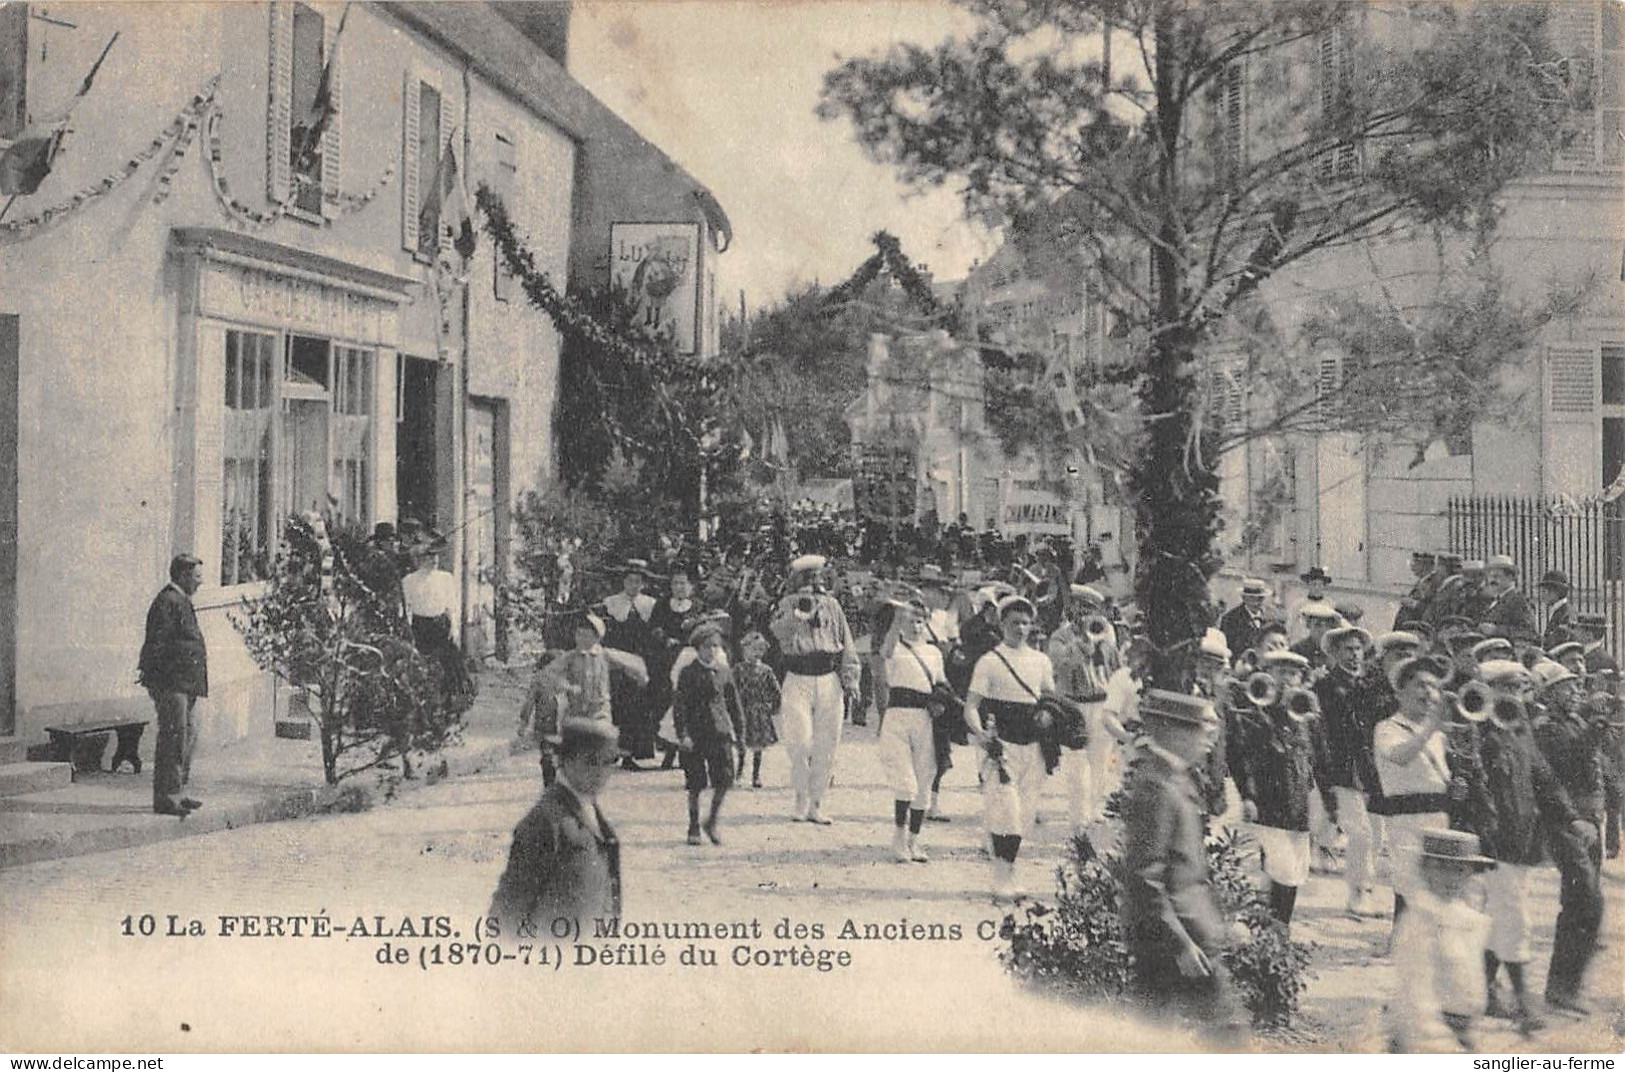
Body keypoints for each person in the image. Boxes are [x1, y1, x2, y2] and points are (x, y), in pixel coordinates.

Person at [1463, 660, 1586, 1034]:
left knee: (1501, 916)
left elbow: (1545, 780)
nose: (1513, 695)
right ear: (1488, 690)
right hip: (1492, 842)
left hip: (1521, 843)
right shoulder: (1477, 734)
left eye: (1518, 688)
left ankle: (1482, 990)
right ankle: (1523, 1002)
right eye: (1504, 688)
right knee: (1514, 919)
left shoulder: (1522, 732)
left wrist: (1571, 818)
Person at [1121, 689, 1247, 1039]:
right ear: (1174, 732)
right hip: (1175, 939)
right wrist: (1180, 944)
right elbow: (1145, 876)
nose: (1210, 740)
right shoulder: (1157, 786)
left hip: (1180, 932)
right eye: (1202, 731)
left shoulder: (1174, 777)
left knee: (1152, 1034)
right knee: (1228, 1037)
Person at [487, 718, 623, 943]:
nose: (601, 771)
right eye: (591, 761)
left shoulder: (590, 810)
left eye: (609, 761)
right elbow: (509, 909)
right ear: (566, 761)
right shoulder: (546, 820)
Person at [964, 595, 1056, 901]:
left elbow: (1050, 701)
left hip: (1034, 748)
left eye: (1025, 622)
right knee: (1008, 814)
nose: (1020, 628)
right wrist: (982, 735)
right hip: (1001, 747)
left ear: (1032, 626)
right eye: (1014, 622)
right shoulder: (989, 661)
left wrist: (1048, 715)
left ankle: (1010, 873)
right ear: (1002, 624)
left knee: (1025, 816)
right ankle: (1000, 880)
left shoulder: (1041, 661)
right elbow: (971, 707)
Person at [1232, 649, 1330, 926]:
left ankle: (1275, 930)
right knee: (1282, 870)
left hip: (1299, 808)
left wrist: (1328, 803)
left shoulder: (1307, 716)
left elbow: (1320, 760)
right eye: (1281, 672)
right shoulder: (1255, 715)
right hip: (1269, 804)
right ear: (1268, 676)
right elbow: (1244, 758)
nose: (1288, 680)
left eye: (1294, 674)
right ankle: (1274, 930)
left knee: (1294, 873)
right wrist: (1248, 796)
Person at [1532, 659, 1605, 1015]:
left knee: (1584, 903)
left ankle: (1566, 987)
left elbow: (1598, 769)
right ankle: (1560, 988)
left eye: (1576, 686)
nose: (1576, 691)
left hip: (1589, 819)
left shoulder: (1574, 722)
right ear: (1549, 693)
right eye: (1567, 687)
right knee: (1585, 899)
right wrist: (1594, 731)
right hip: (1567, 820)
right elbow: (1564, 766)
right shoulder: (1547, 727)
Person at [1385, 830, 1496, 1053]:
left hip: (1462, 1025)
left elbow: (1471, 972)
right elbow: (1414, 986)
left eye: (1460, 870)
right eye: (1441, 868)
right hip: (1424, 1029)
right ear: (1424, 869)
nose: (1452, 878)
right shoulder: (1421, 919)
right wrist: (1434, 1035)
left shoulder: (1468, 917)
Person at [771, 554, 861, 825]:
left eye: (816, 578)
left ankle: (817, 802)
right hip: (797, 676)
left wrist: (851, 678)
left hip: (828, 677)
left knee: (827, 743)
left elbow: (847, 643)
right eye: (806, 579)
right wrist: (799, 614)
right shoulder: (787, 605)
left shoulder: (833, 606)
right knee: (799, 742)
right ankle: (800, 796)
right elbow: (778, 633)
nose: (812, 584)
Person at [1373, 655, 1455, 938]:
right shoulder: (1387, 728)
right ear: (1400, 692)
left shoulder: (1438, 734)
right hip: (1406, 817)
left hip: (1439, 814)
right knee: (1408, 883)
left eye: (1434, 687)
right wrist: (1430, 728)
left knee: (1435, 885)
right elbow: (1400, 756)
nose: (1429, 693)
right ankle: (1401, 944)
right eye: (1421, 685)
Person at [522, 611, 648, 786]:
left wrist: (639, 675)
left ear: (597, 637)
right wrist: (566, 685)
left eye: (586, 635)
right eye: (578, 634)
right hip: (576, 715)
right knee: (576, 762)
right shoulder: (570, 657)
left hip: (599, 713)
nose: (580, 638)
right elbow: (546, 675)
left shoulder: (605, 655)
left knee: (596, 753)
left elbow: (633, 662)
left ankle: (601, 762)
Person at [1315, 625, 1387, 916]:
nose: (1354, 655)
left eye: (1358, 649)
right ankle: (1358, 893)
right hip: (1342, 768)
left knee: (1377, 834)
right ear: (1334, 653)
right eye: (1347, 649)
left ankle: (1362, 888)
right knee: (1361, 833)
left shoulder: (1370, 684)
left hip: (1370, 768)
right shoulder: (1326, 686)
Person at [138, 553, 209, 818]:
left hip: (185, 684)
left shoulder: (181, 600)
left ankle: (178, 790)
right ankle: (167, 797)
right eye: (197, 577)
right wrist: (161, 683)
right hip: (171, 684)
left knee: (186, 736)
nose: (200, 582)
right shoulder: (168, 601)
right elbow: (157, 645)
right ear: (182, 576)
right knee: (173, 738)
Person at [1047, 588, 1122, 834]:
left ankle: (1093, 807)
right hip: (1073, 705)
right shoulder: (1059, 637)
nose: (1085, 614)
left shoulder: (1106, 634)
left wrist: (1103, 645)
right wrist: (1081, 647)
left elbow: (1115, 669)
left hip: (1101, 702)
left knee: (1100, 760)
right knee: (1077, 763)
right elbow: (1059, 667)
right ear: (1072, 611)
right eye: (1080, 608)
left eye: (1090, 609)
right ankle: (1079, 815)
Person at [877, 597, 945, 863]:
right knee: (905, 782)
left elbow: (941, 684)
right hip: (897, 716)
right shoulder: (895, 647)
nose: (915, 626)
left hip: (925, 718)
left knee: (924, 778)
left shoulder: (934, 653)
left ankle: (914, 841)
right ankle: (898, 839)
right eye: (910, 620)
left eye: (919, 620)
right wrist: (897, 617)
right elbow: (885, 652)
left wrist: (940, 703)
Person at [674, 620, 744, 846]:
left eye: (716, 646)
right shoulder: (687, 673)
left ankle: (711, 820)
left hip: (720, 733)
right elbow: (680, 706)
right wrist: (683, 734)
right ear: (698, 649)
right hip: (695, 735)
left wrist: (740, 734)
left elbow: (734, 705)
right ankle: (693, 825)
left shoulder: (723, 672)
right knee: (695, 783)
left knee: (724, 779)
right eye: (707, 646)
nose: (712, 651)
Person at [602, 559, 658, 771]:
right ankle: (610, 752)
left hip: (640, 661)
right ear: (623, 582)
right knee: (615, 706)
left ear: (643, 584)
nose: (633, 585)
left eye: (638, 582)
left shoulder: (650, 605)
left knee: (636, 709)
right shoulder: (611, 603)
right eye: (629, 581)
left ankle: (630, 755)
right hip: (617, 660)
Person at [648, 563, 704, 771]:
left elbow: (705, 630)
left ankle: (686, 750)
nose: (679, 587)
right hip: (667, 658)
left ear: (691, 587)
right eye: (676, 583)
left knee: (690, 703)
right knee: (667, 700)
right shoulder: (662, 605)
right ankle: (668, 749)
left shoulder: (698, 606)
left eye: (683, 583)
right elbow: (654, 628)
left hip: (690, 657)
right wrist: (665, 639)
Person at [733, 628, 780, 790]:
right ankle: (738, 772)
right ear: (744, 649)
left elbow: (776, 691)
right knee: (741, 742)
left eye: (760, 650)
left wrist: (774, 706)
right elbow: (730, 689)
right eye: (753, 649)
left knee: (758, 745)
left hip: (759, 711)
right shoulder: (738, 669)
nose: (757, 653)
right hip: (742, 710)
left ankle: (756, 775)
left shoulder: (766, 670)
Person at [1478, 555, 1538, 650]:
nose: (1492, 581)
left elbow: (1529, 633)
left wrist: (1496, 630)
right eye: (1489, 576)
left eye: (1496, 576)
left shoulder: (1519, 601)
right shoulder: (1493, 601)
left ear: (1510, 577)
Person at [1219, 578, 1270, 663]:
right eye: (1252, 598)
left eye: (1260, 599)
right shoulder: (1231, 619)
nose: (1256, 603)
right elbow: (1225, 648)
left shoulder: (1271, 618)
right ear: (1244, 598)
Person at [1536, 570, 1571, 650]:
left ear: (1556, 591)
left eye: (1544, 591)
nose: (1542, 596)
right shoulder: (1559, 610)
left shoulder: (1565, 613)